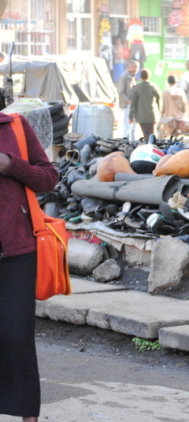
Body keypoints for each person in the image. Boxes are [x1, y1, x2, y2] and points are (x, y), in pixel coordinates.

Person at [0, 113, 58, 421]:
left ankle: (28, 416)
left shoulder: (15, 126)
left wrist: (11, 165)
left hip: (17, 252)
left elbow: (48, 178)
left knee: (17, 336)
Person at [129, 69, 161, 140]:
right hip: (152, 115)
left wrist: (131, 116)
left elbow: (133, 103)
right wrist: (159, 109)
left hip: (141, 116)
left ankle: (148, 146)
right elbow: (159, 98)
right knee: (152, 134)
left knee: (146, 134)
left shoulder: (137, 88)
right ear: (149, 76)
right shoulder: (153, 87)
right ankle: (152, 147)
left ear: (140, 77)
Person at [117, 60, 138, 139]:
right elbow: (121, 93)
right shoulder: (124, 77)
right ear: (130, 67)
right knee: (127, 125)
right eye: (136, 67)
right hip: (127, 105)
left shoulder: (132, 76)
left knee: (133, 126)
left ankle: (133, 142)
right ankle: (126, 142)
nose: (137, 69)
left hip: (132, 105)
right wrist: (129, 102)